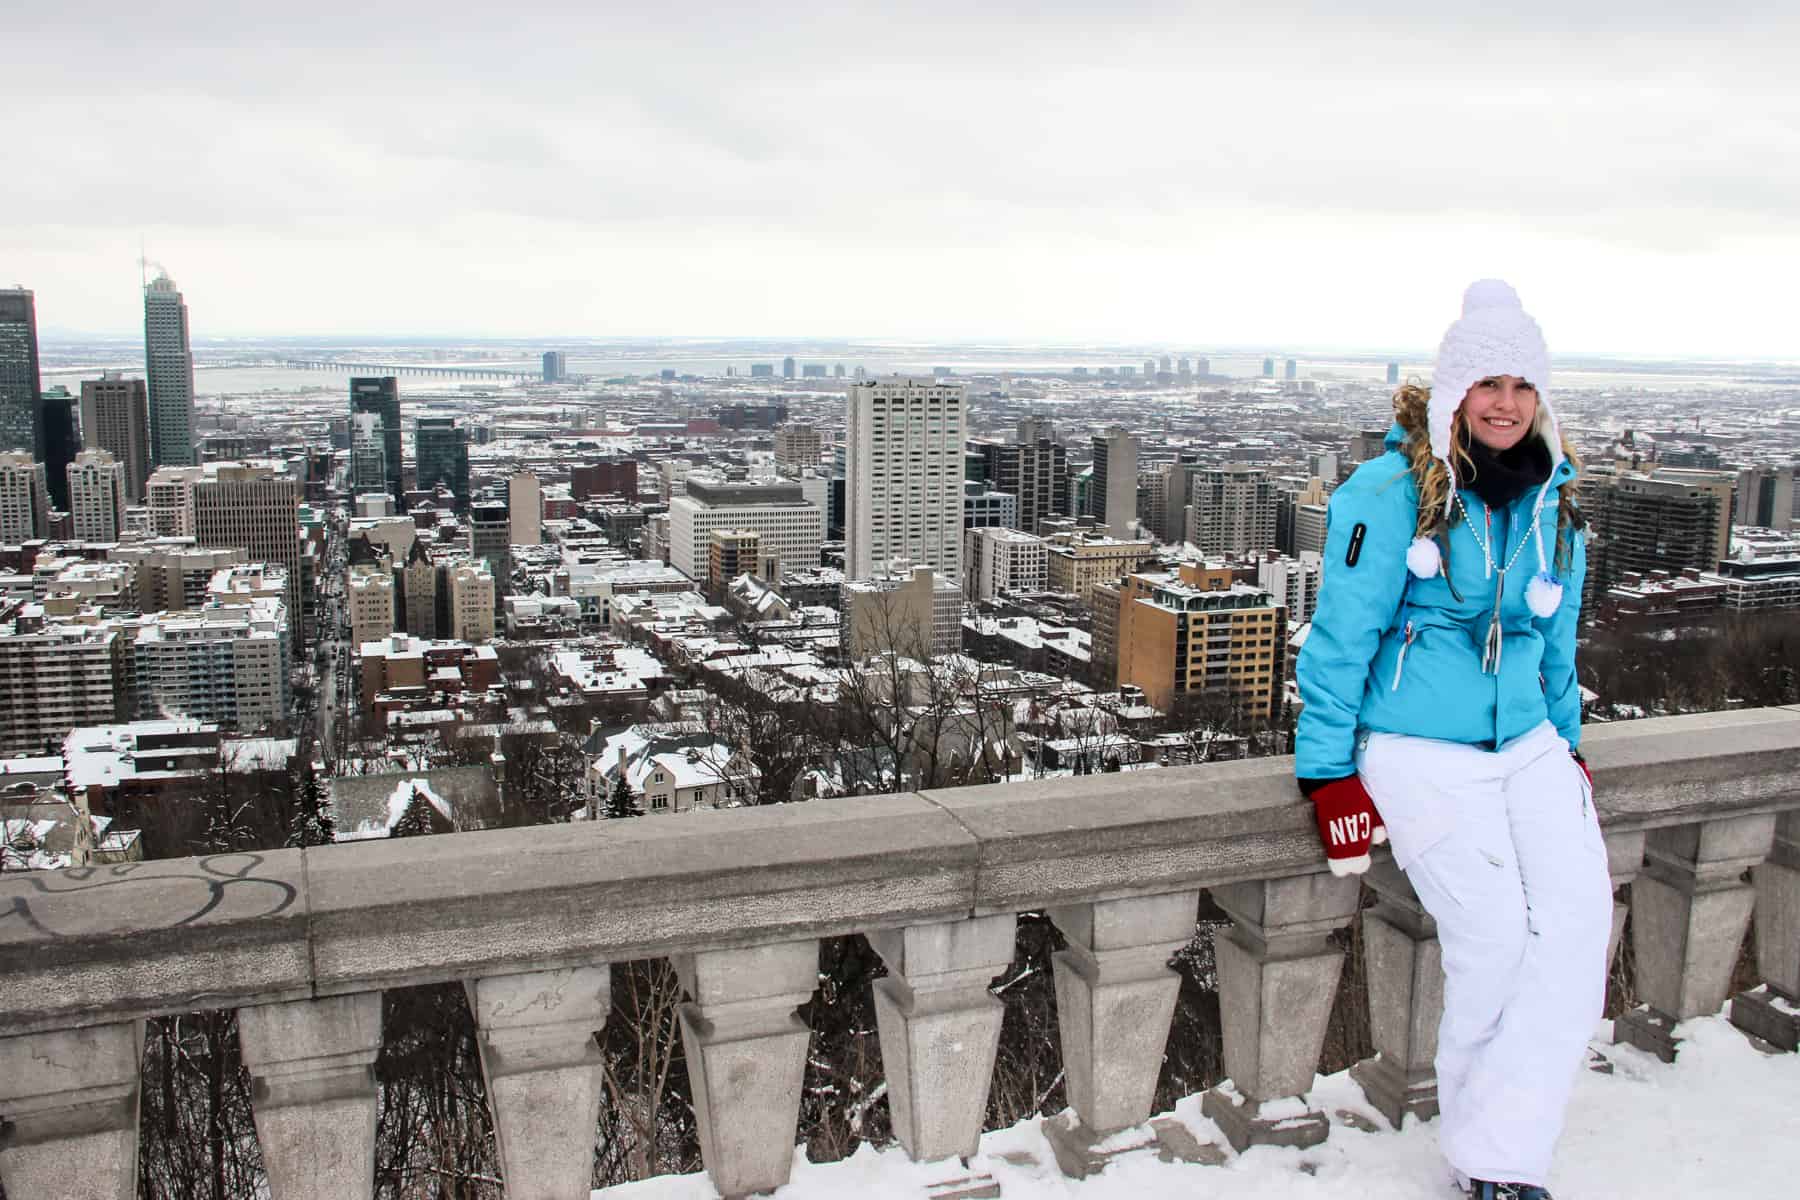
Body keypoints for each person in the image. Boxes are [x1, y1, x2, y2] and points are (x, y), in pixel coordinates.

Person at [1293, 280, 1611, 1200]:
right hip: (1417, 746)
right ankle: (1498, 1165)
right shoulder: (1392, 493)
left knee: (1580, 927)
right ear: (1453, 394)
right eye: (1487, 384)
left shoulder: (1556, 498)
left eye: (1521, 384)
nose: (1506, 403)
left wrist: (1570, 741)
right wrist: (1327, 775)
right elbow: (1341, 636)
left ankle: (1500, 1140)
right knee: (1496, 939)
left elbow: (1557, 640)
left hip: (1532, 745)